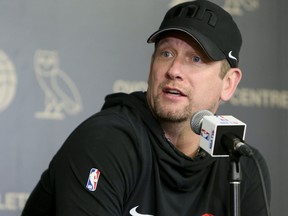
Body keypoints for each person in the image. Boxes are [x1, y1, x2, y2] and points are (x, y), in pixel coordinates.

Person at [21, 0, 271, 215]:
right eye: (166, 53)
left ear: (228, 84)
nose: (174, 70)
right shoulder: (106, 142)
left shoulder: (241, 164)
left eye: (196, 59)